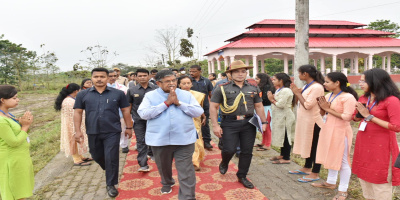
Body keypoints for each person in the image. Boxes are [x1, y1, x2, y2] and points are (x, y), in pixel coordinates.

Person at [138, 70, 203, 199]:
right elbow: (143, 114)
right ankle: (167, 182)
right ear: (158, 83)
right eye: (168, 81)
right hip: (159, 139)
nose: (172, 83)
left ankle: (188, 197)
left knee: (186, 171)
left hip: (184, 139)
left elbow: (198, 112)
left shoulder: (186, 95)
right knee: (163, 166)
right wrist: (166, 104)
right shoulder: (150, 96)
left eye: (174, 80)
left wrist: (179, 103)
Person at [73, 68, 133, 197]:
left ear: (107, 78)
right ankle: (110, 168)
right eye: (96, 77)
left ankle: (110, 184)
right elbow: (77, 112)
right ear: (92, 78)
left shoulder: (118, 93)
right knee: (96, 154)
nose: (99, 79)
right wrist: (77, 131)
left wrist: (129, 127)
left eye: (102, 76)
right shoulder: (82, 95)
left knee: (111, 156)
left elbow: (125, 110)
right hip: (93, 130)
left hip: (112, 130)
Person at [210, 60, 268, 189]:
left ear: (246, 73)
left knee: (246, 151)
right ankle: (224, 162)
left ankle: (242, 175)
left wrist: (264, 122)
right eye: (236, 71)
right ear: (230, 74)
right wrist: (215, 125)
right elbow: (213, 107)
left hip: (248, 122)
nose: (240, 74)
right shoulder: (222, 88)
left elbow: (258, 106)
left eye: (243, 71)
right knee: (229, 149)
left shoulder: (253, 88)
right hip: (229, 122)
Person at [352, 68, 400, 200]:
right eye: (360, 80)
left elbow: (397, 126)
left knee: (380, 179)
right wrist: (358, 114)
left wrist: (369, 116)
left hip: (381, 145)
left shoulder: (391, 100)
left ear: (376, 81)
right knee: (365, 177)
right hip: (364, 142)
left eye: (364, 81)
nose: (360, 83)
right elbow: (355, 118)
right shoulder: (364, 97)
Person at [311, 72, 358, 199]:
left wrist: (328, 109)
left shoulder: (348, 97)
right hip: (328, 129)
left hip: (341, 131)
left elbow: (347, 117)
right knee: (331, 156)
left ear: (337, 83)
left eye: (327, 82)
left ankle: (343, 190)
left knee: (343, 161)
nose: (324, 84)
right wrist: (322, 107)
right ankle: (330, 182)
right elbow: (324, 113)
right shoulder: (329, 95)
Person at [289, 65, 325, 183]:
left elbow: (308, 105)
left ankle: (315, 173)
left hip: (313, 121)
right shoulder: (307, 86)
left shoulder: (317, 87)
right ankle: (307, 167)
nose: (298, 76)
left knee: (315, 147)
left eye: (299, 73)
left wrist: (298, 93)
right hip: (305, 120)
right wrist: (297, 93)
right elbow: (298, 102)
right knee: (307, 144)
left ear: (305, 74)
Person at [0, 85, 34, 200]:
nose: (17, 100)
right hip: (11, 160)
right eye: (14, 98)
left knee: (20, 191)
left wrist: (24, 124)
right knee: (14, 192)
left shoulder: (8, 115)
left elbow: (19, 133)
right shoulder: (1, 121)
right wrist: (25, 126)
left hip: (19, 158)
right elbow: (13, 142)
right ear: (3, 100)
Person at [126, 68, 158, 172]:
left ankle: (154, 155)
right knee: (141, 141)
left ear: (149, 76)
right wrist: (129, 121)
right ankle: (143, 164)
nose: (142, 78)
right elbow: (129, 106)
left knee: (155, 140)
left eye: (145, 75)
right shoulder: (132, 90)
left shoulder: (156, 89)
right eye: (140, 76)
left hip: (154, 119)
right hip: (139, 120)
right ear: (136, 77)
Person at [54, 83, 91, 166]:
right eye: (79, 90)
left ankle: (80, 156)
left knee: (77, 141)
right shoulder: (69, 101)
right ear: (76, 91)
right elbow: (76, 113)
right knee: (73, 141)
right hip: (72, 124)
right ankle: (76, 159)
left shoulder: (70, 99)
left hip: (73, 123)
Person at [177, 75, 207, 171]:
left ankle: (195, 161)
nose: (186, 85)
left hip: (195, 120)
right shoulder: (175, 95)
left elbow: (200, 108)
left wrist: (204, 116)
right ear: (179, 85)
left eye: (188, 83)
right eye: (184, 83)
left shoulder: (198, 95)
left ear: (192, 84)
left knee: (196, 139)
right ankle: (188, 159)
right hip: (181, 120)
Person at [267, 73, 295, 164]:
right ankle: (282, 154)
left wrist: (271, 99)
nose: (272, 81)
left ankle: (286, 157)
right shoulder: (280, 89)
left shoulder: (286, 90)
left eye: (274, 79)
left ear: (281, 80)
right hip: (280, 116)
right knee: (281, 135)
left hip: (285, 116)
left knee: (286, 136)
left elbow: (281, 105)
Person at [189, 65, 214, 150]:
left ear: (200, 71)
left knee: (205, 123)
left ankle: (206, 141)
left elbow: (211, 93)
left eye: (194, 71)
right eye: (190, 71)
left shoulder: (206, 81)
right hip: (191, 107)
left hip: (204, 106)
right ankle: (193, 142)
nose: (191, 73)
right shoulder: (188, 81)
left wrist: (213, 105)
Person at [107, 70, 129, 153]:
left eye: (114, 76)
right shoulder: (102, 88)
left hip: (120, 112)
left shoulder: (123, 88)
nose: (113, 78)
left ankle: (124, 145)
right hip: (107, 113)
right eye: (110, 76)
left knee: (123, 129)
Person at [254, 73, 275, 151]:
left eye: (257, 79)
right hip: (262, 108)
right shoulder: (261, 87)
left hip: (266, 108)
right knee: (263, 126)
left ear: (262, 79)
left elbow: (265, 99)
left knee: (267, 127)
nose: (255, 80)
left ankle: (268, 144)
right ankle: (263, 142)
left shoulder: (267, 87)